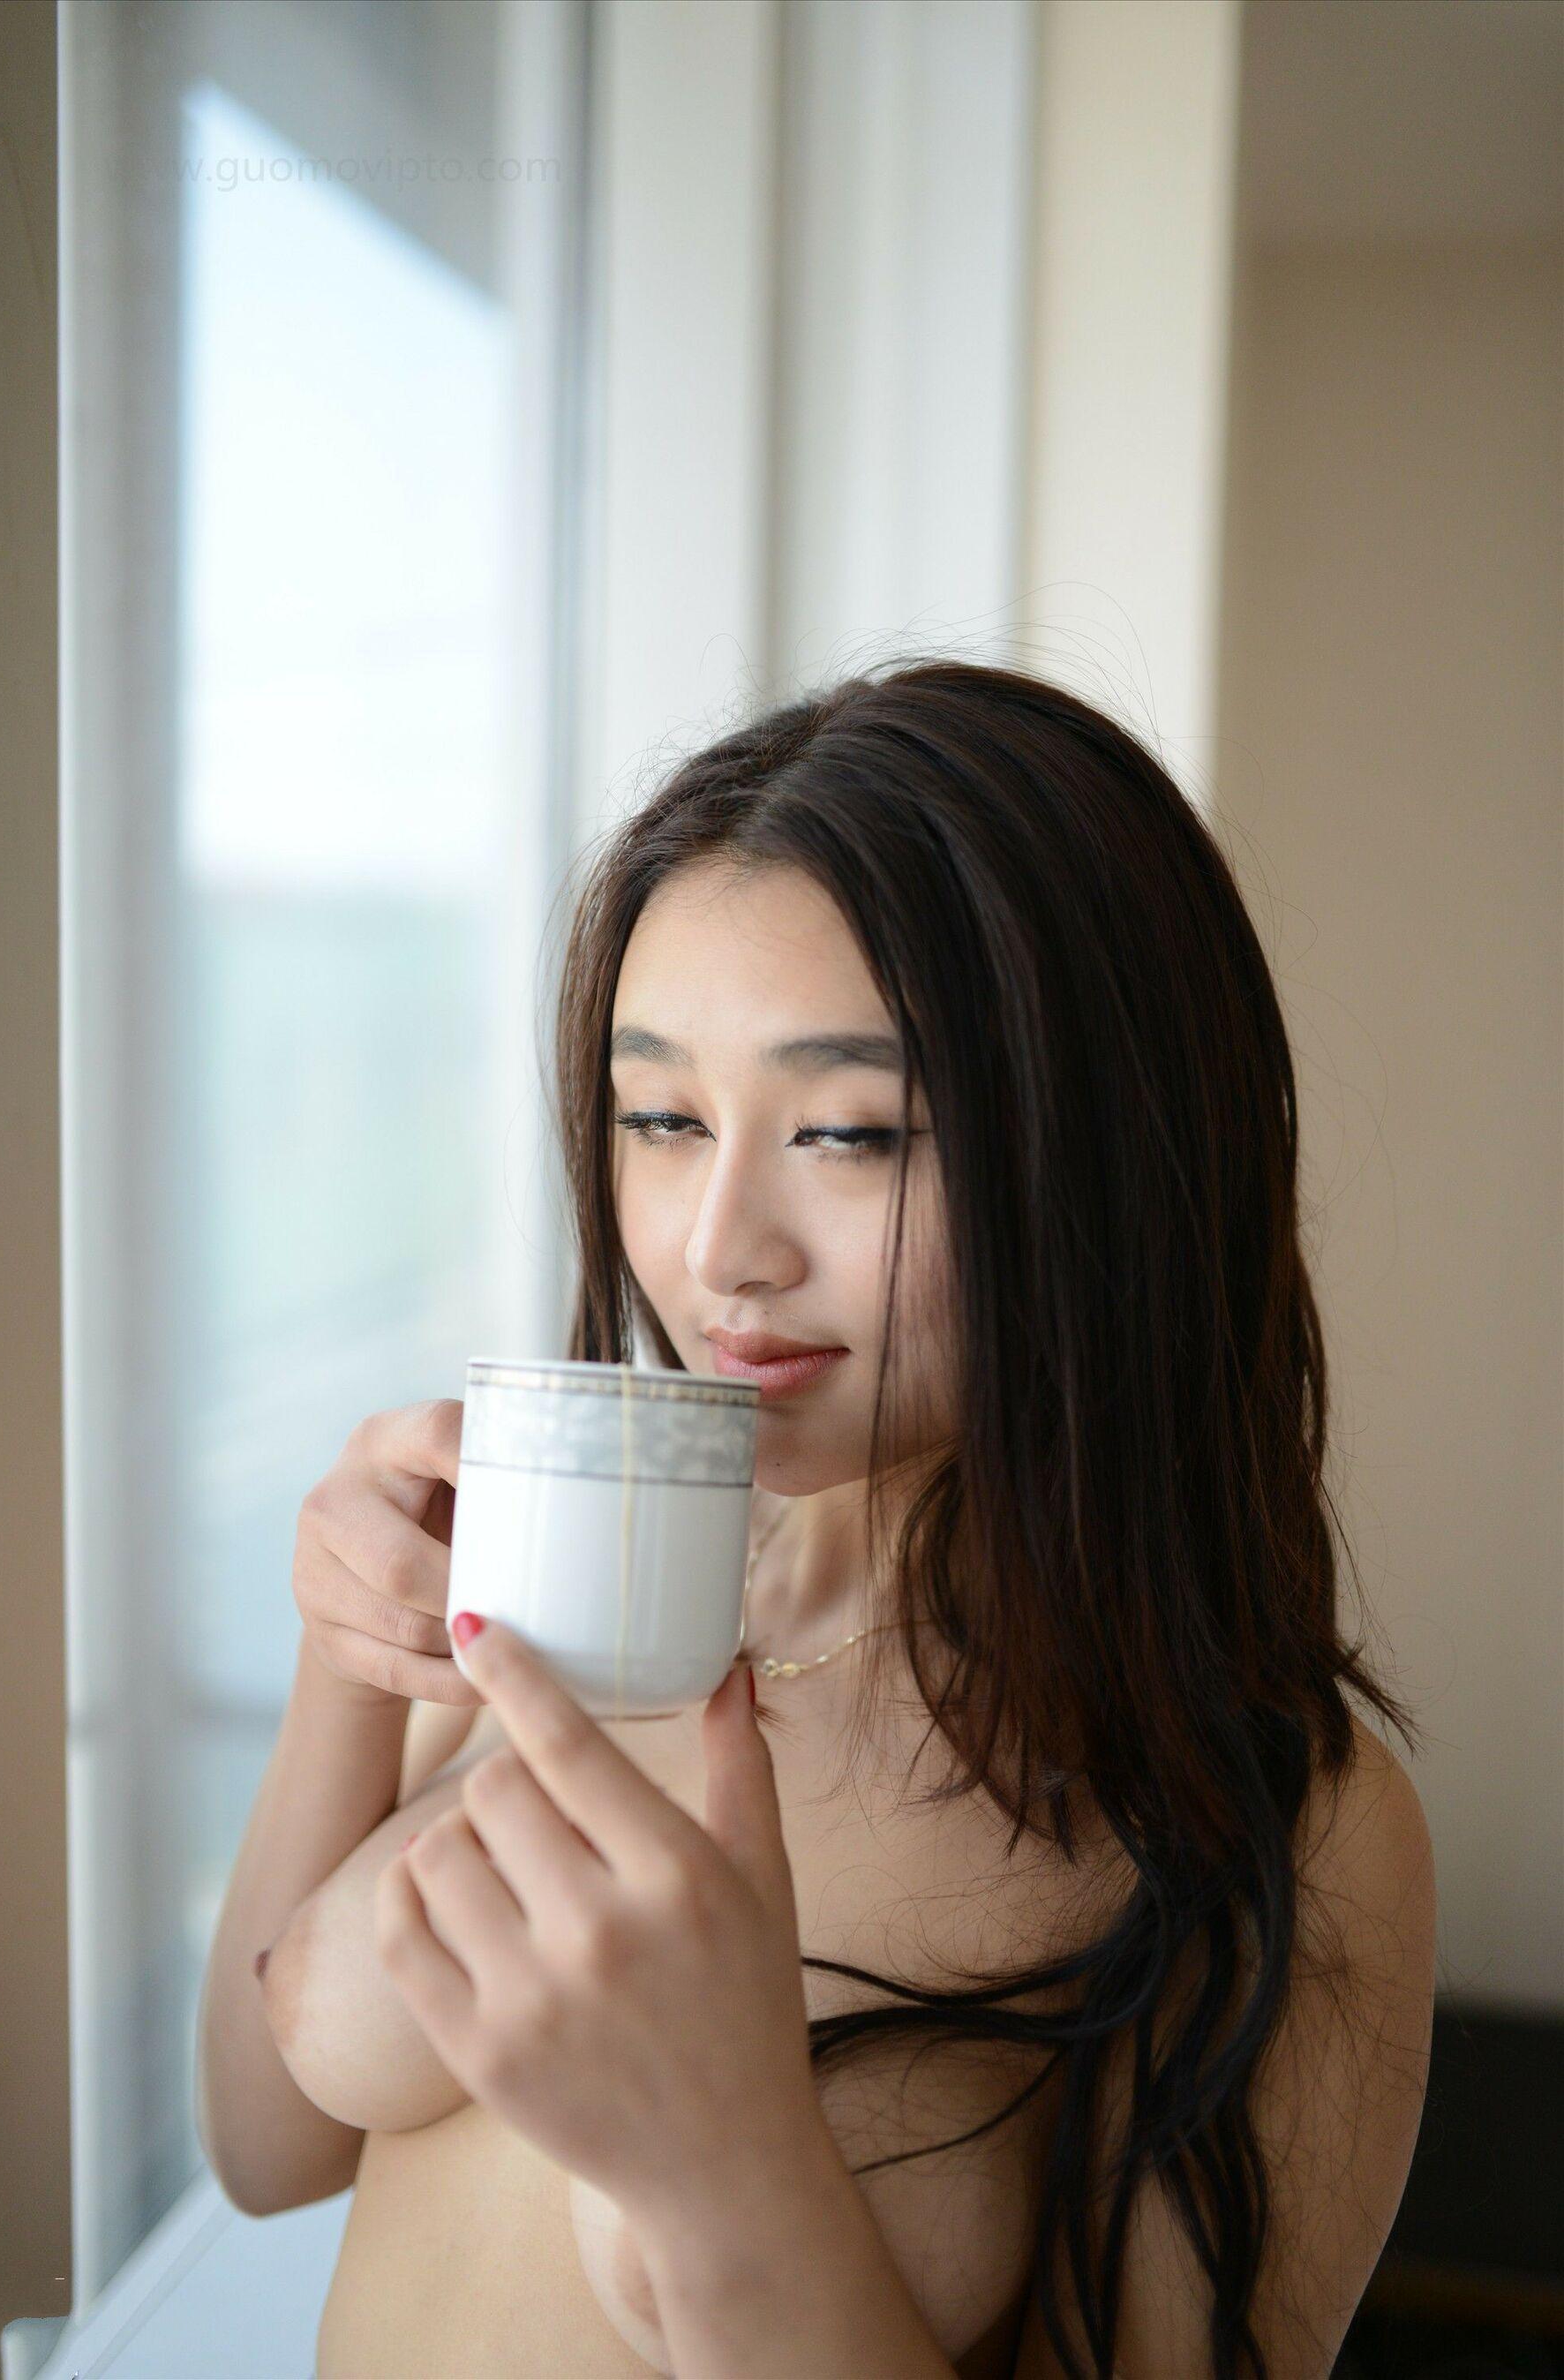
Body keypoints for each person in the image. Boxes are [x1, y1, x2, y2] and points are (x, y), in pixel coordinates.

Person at [196, 659, 1437, 2380]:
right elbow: (267, 2148)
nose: (719, 1247)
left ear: (1110, 1155)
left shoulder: (1274, 1818)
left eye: (849, 1133)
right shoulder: (590, 1572)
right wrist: (353, 1656)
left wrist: (727, 2172)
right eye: (662, 1116)